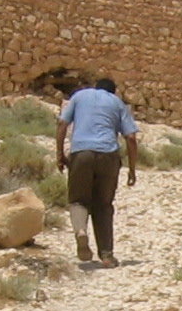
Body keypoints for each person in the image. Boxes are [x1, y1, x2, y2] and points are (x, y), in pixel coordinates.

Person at [55, 77, 139, 267]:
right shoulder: (117, 103)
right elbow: (131, 138)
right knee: (103, 205)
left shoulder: (79, 96)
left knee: (78, 200)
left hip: (81, 153)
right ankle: (107, 255)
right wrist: (132, 169)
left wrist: (60, 154)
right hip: (108, 157)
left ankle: (81, 232)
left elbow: (61, 124)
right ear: (113, 91)